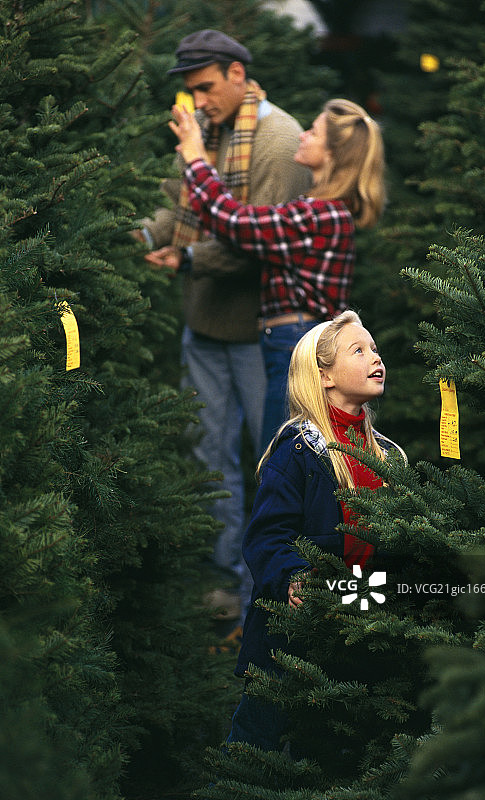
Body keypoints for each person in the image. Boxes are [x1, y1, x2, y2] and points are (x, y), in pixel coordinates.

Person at [139, 30, 312, 621]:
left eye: (206, 87)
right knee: (208, 453)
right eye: (192, 90)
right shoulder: (203, 134)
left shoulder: (280, 140)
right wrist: (141, 236)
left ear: (238, 74)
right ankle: (223, 580)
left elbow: (251, 240)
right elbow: (177, 200)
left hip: (264, 331)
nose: (199, 100)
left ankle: (272, 585)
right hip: (205, 324)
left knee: (271, 460)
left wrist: (187, 259)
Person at [223, 310, 407, 752]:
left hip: (361, 617)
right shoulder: (298, 451)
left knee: (332, 747)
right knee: (257, 746)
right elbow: (267, 538)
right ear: (324, 376)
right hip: (293, 633)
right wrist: (294, 578)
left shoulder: (386, 454)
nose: (375, 357)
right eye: (358, 350)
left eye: (375, 348)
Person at [169, 97, 386, 453]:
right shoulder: (321, 210)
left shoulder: (319, 214)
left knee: (281, 457)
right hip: (288, 339)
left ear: (333, 152)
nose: (302, 135)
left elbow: (234, 222)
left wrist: (195, 157)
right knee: (286, 453)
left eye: (313, 131)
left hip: (294, 341)